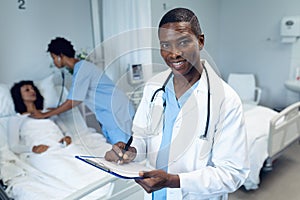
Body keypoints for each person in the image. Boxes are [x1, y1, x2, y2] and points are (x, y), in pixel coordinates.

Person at [104, 7, 249, 200]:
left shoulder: (225, 100)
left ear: (200, 41)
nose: (174, 53)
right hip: (156, 195)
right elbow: (141, 137)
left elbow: (232, 173)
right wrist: (131, 152)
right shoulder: (153, 87)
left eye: (183, 42)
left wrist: (173, 181)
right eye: (165, 45)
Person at [30, 37, 135, 144]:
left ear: (60, 56)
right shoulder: (81, 68)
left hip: (116, 112)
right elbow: (73, 99)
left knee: (124, 150)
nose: (54, 61)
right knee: (119, 148)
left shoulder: (82, 69)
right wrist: (55, 110)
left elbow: (73, 101)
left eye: (53, 57)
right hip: (113, 111)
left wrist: (45, 115)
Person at [9, 80, 71, 154]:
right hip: (41, 152)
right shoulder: (16, 119)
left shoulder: (48, 112)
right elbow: (14, 146)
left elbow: (66, 131)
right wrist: (33, 149)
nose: (32, 91)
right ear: (19, 95)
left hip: (62, 147)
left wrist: (68, 138)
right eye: (27, 90)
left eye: (33, 89)